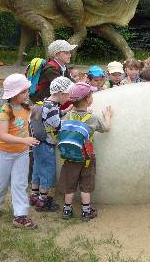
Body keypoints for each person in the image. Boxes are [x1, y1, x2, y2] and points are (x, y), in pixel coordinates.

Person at [0, 74, 40, 229]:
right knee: (2, 181)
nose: (27, 94)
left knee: (20, 183)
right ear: (14, 94)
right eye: (24, 92)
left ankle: (20, 216)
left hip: (21, 153)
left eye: (27, 91)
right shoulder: (4, 112)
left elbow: (33, 117)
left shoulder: (26, 108)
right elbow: (3, 135)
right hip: (4, 153)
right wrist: (25, 140)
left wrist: (39, 110)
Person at [60, 82, 113, 222]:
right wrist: (108, 116)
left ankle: (67, 209)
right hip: (87, 157)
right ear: (88, 99)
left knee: (70, 184)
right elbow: (106, 128)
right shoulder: (92, 118)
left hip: (70, 156)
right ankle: (86, 211)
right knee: (86, 185)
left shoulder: (68, 116)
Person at [29, 76, 73, 212]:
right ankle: (43, 200)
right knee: (47, 171)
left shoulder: (44, 103)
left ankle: (34, 195)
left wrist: (66, 110)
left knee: (37, 168)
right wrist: (73, 122)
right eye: (67, 94)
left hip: (37, 142)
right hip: (46, 144)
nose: (68, 98)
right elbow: (58, 125)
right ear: (60, 93)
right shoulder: (52, 108)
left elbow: (51, 116)